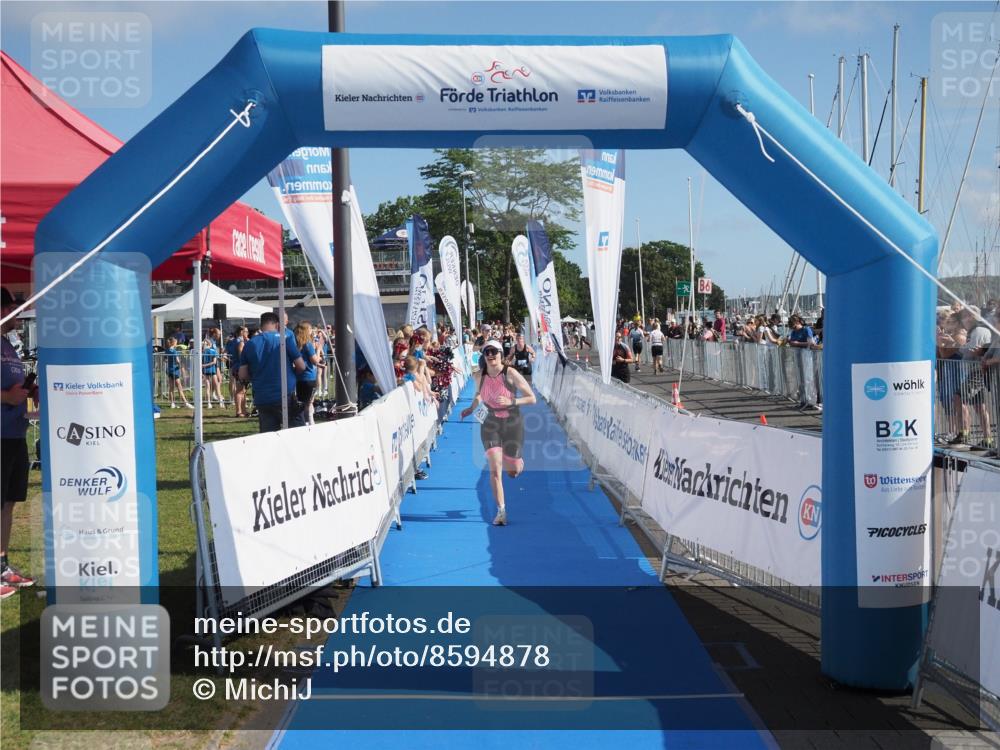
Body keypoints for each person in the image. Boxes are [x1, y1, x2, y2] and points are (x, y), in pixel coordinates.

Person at [460, 340, 536, 526]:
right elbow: (478, 394)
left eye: (494, 352)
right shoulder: (479, 376)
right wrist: (471, 408)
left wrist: (511, 402)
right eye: (487, 352)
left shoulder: (511, 373)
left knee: (513, 471)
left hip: (512, 423)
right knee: (495, 469)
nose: (490, 355)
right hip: (490, 423)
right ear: (484, 356)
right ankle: (501, 511)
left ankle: (517, 463)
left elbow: (532, 398)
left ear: (502, 354)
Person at [1, 288, 36, 599]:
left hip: (15, 433)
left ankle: (2, 565)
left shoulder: (9, 345)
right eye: (13, 308)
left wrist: (29, 390)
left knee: (8, 502)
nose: (18, 314)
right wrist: (6, 397)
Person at [239, 312, 307, 432]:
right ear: (277, 325)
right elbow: (301, 366)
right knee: (297, 434)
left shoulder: (249, 344)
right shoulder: (284, 339)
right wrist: (292, 374)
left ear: (261, 325)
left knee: (268, 438)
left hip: (262, 397)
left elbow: (243, 375)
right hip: (284, 395)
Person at [294, 321, 322, 425]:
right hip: (309, 376)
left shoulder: (296, 344)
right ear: (307, 330)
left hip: (300, 377)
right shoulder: (308, 344)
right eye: (310, 329)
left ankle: (305, 421)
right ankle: (309, 421)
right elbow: (315, 361)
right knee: (309, 402)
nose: (312, 331)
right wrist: (318, 349)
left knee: (303, 401)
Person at [226, 326, 249, 417]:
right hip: (240, 368)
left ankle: (243, 410)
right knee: (240, 390)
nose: (247, 333)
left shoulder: (234, 341)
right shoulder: (240, 342)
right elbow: (241, 355)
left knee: (243, 390)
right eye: (246, 331)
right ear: (241, 332)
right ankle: (239, 411)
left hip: (236, 367)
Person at [164, 337, 193, 409]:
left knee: (171, 388)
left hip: (169, 370)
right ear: (173, 343)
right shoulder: (174, 351)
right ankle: (185, 402)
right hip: (174, 371)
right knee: (179, 387)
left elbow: (165, 359)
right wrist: (182, 366)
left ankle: (172, 403)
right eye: (176, 342)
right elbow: (177, 361)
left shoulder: (167, 350)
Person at [201, 338, 223, 408]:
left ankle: (208, 403)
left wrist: (203, 366)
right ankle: (220, 402)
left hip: (206, 371)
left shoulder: (203, 352)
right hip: (212, 371)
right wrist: (205, 365)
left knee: (207, 387)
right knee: (217, 387)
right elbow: (214, 362)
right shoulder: (213, 351)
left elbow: (202, 363)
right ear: (209, 344)